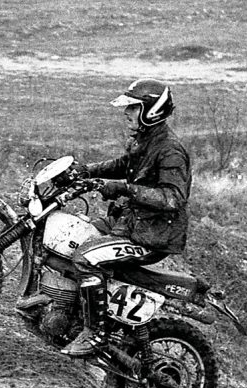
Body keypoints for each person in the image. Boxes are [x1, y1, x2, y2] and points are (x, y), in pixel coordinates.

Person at [61, 78, 192, 357]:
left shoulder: (170, 150)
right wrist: (86, 171)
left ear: (151, 110)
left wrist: (124, 189)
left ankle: (94, 334)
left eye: (133, 107)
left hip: (153, 236)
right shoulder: (146, 140)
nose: (126, 113)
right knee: (74, 237)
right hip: (132, 223)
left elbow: (172, 198)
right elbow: (124, 165)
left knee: (86, 258)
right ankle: (66, 308)